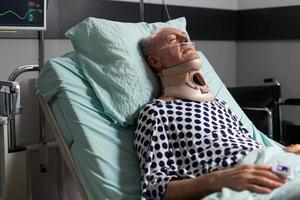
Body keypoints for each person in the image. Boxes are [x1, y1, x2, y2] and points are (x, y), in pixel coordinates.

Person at [134, 27, 300, 200]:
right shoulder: (156, 111)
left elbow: (247, 145)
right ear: (155, 61)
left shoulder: (219, 105)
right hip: (241, 182)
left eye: (186, 38)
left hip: (277, 164)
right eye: (172, 40)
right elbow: (153, 188)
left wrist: (284, 153)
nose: (185, 40)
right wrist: (219, 179)